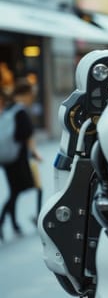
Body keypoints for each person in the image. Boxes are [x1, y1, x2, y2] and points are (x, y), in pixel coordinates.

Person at [0, 79, 42, 241]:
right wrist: (35, 153)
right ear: (26, 94)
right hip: (18, 159)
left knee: (15, 192)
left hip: (7, 158)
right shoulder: (21, 112)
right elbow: (27, 135)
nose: (33, 97)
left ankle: (14, 224)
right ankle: (5, 221)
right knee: (29, 188)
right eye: (31, 94)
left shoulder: (8, 109)